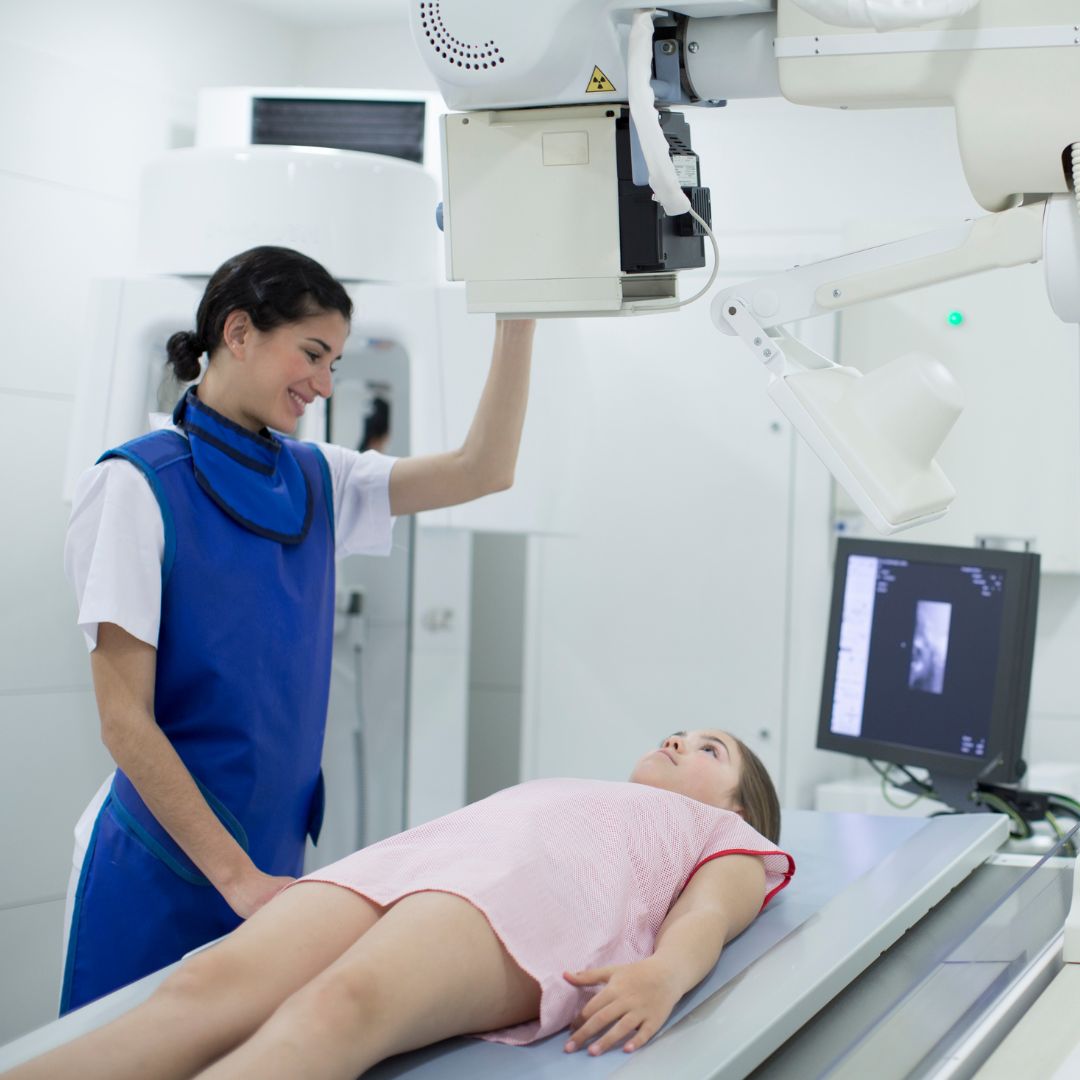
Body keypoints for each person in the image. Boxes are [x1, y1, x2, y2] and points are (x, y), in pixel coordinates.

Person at [59, 245, 536, 1015]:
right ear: (239, 331)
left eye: (335, 362)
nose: (323, 384)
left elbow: (484, 469)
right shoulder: (133, 486)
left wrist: (521, 313)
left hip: (271, 863)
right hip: (164, 865)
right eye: (312, 354)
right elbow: (124, 721)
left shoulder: (319, 477)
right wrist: (236, 878)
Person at [4, 729, 793, 1080]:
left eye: (710, 749)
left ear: (740, 806)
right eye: (680, 732)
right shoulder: (586, 789)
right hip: (415, 863)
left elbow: (710, 916)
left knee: (338, 1008)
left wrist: (664, 975)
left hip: (528, 900)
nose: (680, 741)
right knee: (201, 990)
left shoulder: (724, 835)